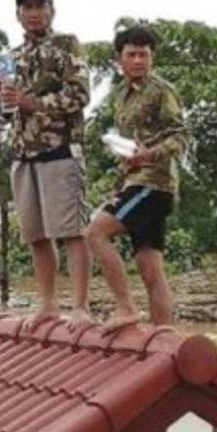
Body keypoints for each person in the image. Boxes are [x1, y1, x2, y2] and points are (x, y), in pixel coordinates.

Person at [0, 0, 92, 332]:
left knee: (71, 231)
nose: (33, 13)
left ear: (51, 10)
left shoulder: (67, 45)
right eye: (27, 7)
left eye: (39, 6)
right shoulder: (10, 56)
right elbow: (5, 109)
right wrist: (8, 101)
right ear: (18, 14)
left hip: (60, 149)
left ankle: (80, 306)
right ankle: (48, 304)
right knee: (35, 235)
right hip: (23, 153)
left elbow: (79, 95)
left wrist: (32, 102)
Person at [85, 25, 188, 333]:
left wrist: (148, 155)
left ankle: (126, 308)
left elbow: (181, 137)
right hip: (135, 182)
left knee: (95, 233)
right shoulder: (121, 97)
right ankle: (163, 338)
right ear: (120, 59)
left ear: (152, 57)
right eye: (132, 54)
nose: (139, 60)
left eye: (144, 54)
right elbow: (131, 146)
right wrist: (125, 167)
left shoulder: (161, 90)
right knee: (150, 269)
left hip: (154, 185)